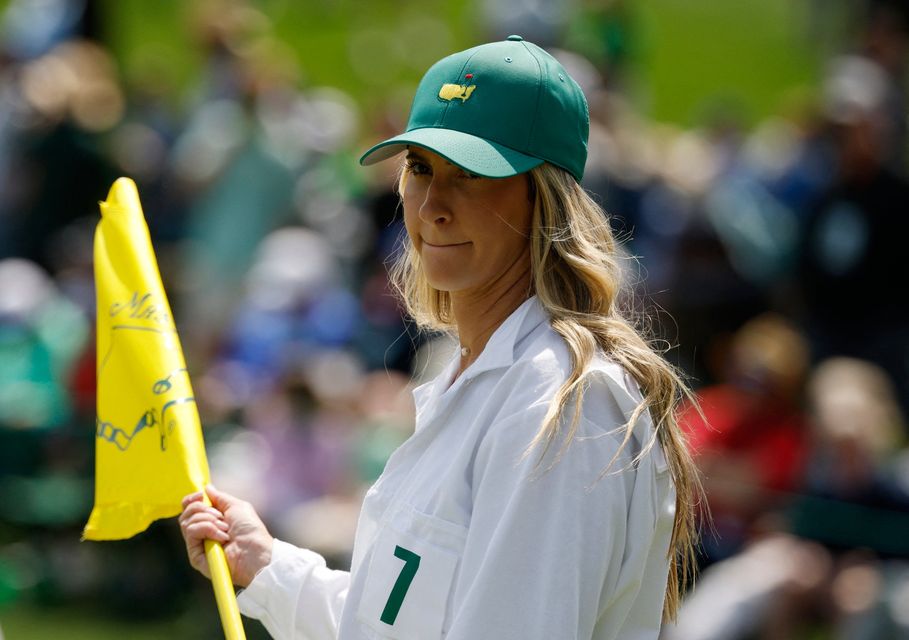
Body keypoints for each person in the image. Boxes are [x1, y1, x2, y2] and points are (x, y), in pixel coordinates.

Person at [180, 35, 702, 640]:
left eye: (472, 174)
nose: (432, 205)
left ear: (546, 201)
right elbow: (405, 618)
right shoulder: (480, 372)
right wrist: (271, 569)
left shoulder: (556, 397)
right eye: (420, 168)